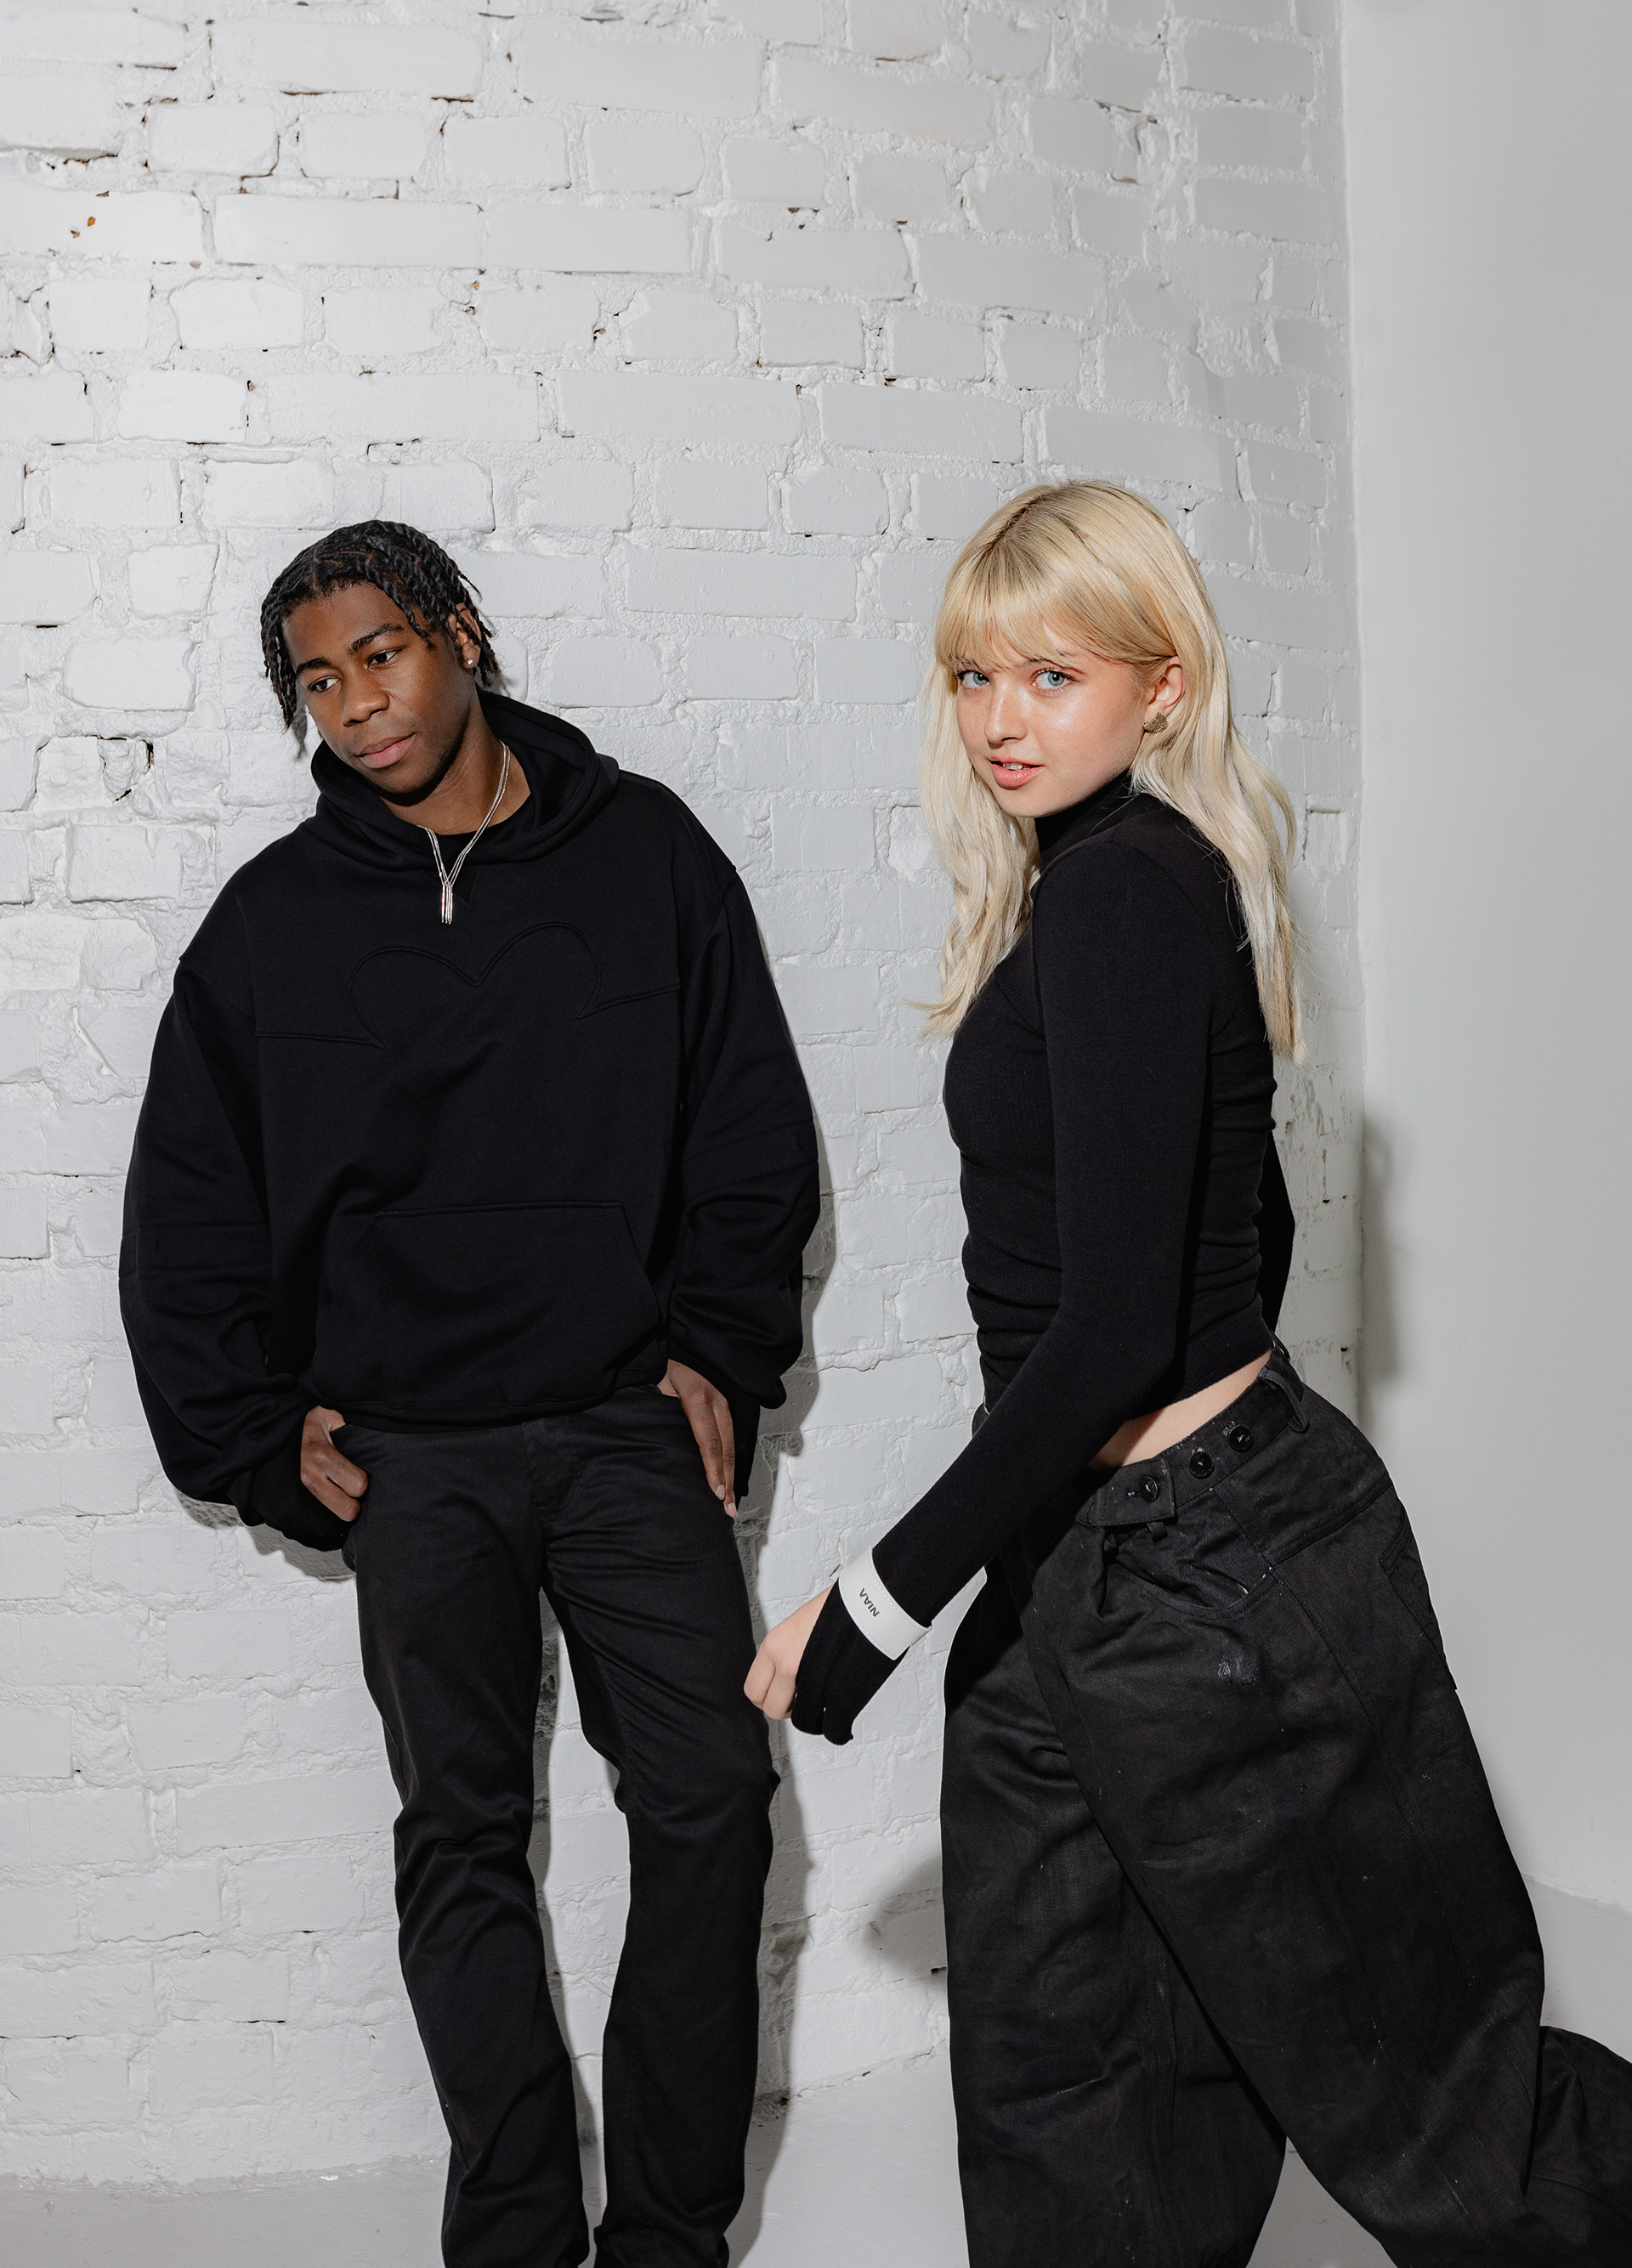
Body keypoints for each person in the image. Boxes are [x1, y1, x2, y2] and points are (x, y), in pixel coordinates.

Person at [745, 483, 1632, 2265]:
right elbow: (1244, 1230)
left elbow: (1120, 1333)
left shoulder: (1130, 893)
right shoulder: (1088, 887)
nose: (1002, 719)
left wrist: (876, 1600)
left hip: (1205, 1567)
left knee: (1442, 2109)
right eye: (975, 676)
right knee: (1071, 2078)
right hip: (1080, 1566)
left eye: (1051, 674)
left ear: (1160, 684)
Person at [121, 522, 819, 2268]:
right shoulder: (272, 927)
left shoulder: (648, 855)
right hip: (411, 1456)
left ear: (463, 633)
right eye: (320, 681)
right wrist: (251, 1435)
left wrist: (719, 1347)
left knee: (712, 1798)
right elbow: (185, 1207)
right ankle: (513, 2234)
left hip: (623, 1424)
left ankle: (667, 2237)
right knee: (464, 1839)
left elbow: (749, 1124)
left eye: (382, 654)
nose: (359, 704)